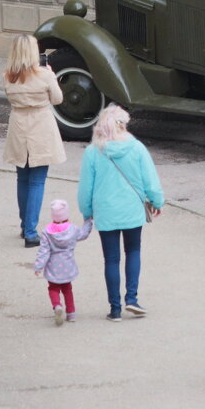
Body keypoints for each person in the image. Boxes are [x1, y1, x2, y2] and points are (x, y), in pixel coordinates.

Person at [77, 104, 164, 321]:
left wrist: (87, 211)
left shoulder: (92, 152)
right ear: (123, 125)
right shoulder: (137, 148)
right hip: (132, 210)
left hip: (105, 212)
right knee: (133, 252)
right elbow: (150, 180)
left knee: (111, 259)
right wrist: (157, 201)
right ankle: (132, 299)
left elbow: (85, 188)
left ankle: (115, 308)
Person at [3, 34, 66, 247]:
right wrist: (51, 76)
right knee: (37, 180)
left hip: (19, 125)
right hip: (40, 125)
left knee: (22, 177)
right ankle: (31, 231)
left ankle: (24, 226)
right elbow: (58, 99)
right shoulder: (44, 76)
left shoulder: (8, 75)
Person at [34, 199, 93, 326]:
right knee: (67, 289)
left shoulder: (47, 231)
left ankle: (57, 305)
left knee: (53, 288)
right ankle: (71, 313)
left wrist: (39, 266)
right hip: (68, 265)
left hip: (52, 266)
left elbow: (44, 250)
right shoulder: (72, 229)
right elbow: (84, 234)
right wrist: (88, 221)